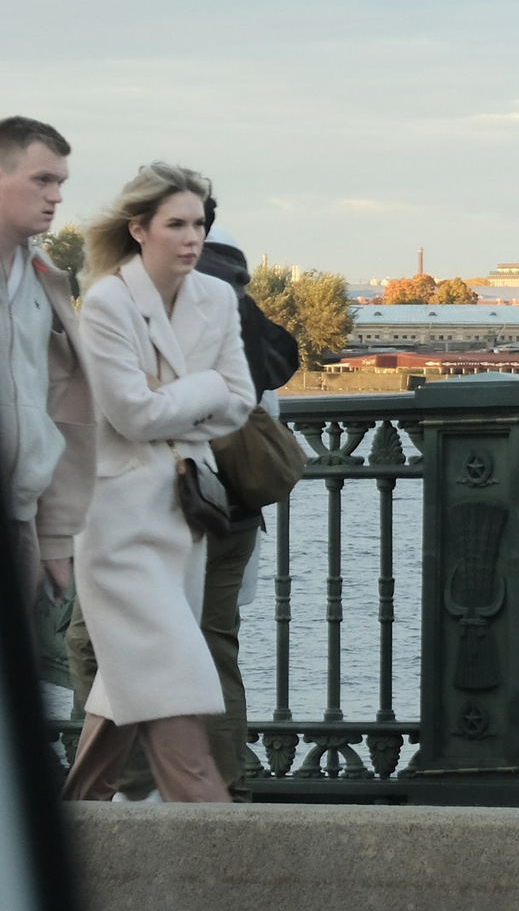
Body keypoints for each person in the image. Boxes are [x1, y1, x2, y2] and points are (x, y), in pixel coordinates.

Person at [64, 162, 249, 802]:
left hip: (184, 511)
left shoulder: (217, 298)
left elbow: (242, 402)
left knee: (129, 679)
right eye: (177, 224)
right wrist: (203, 391)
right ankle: (222, 860)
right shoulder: (109, 302)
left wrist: (179, 400)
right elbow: (130, 415)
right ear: (139, 229)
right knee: (173, 679)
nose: (192, 237)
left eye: (200, 223)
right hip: (118, 522)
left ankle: (77, 822)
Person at [0, 118, 88, 616]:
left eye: (60, 183)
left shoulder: (43, 276)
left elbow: (54, 401)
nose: (55, 196)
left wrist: (52, 536)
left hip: (20, 524)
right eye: (41, 180)